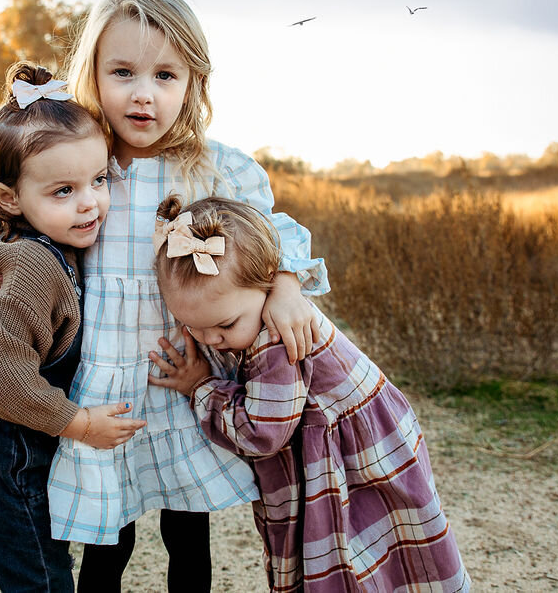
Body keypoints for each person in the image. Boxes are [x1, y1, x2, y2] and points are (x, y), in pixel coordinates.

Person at [0, 0, 329, 591]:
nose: (143, 93)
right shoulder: (79, 154)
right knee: (109, 534)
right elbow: (1, 224)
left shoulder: (212, 166)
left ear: (193, 83)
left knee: (187, 527)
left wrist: (284, 284)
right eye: (122, 71)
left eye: (166, 75)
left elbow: (272, 230)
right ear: (92, 75)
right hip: (105, 376)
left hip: (180, 369)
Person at [148, 195, 471, 592]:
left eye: (224, 326)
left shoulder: (275, 338)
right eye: (193, 328)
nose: (210, 340)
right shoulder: (256, 308)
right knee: (387, 557)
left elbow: (262, 432)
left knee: (360, 560)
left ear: (268, 283)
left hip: (352, 466)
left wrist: (200, 386)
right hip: (366, 449)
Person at [0, 61, 147, 592]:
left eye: (100, 180)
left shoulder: (64, 241)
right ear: (9, 199)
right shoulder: (37, 264)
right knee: (42, 581)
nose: (90, 202)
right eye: (63, 190)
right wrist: (80, 424)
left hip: (27, 450)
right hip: (5, 460)